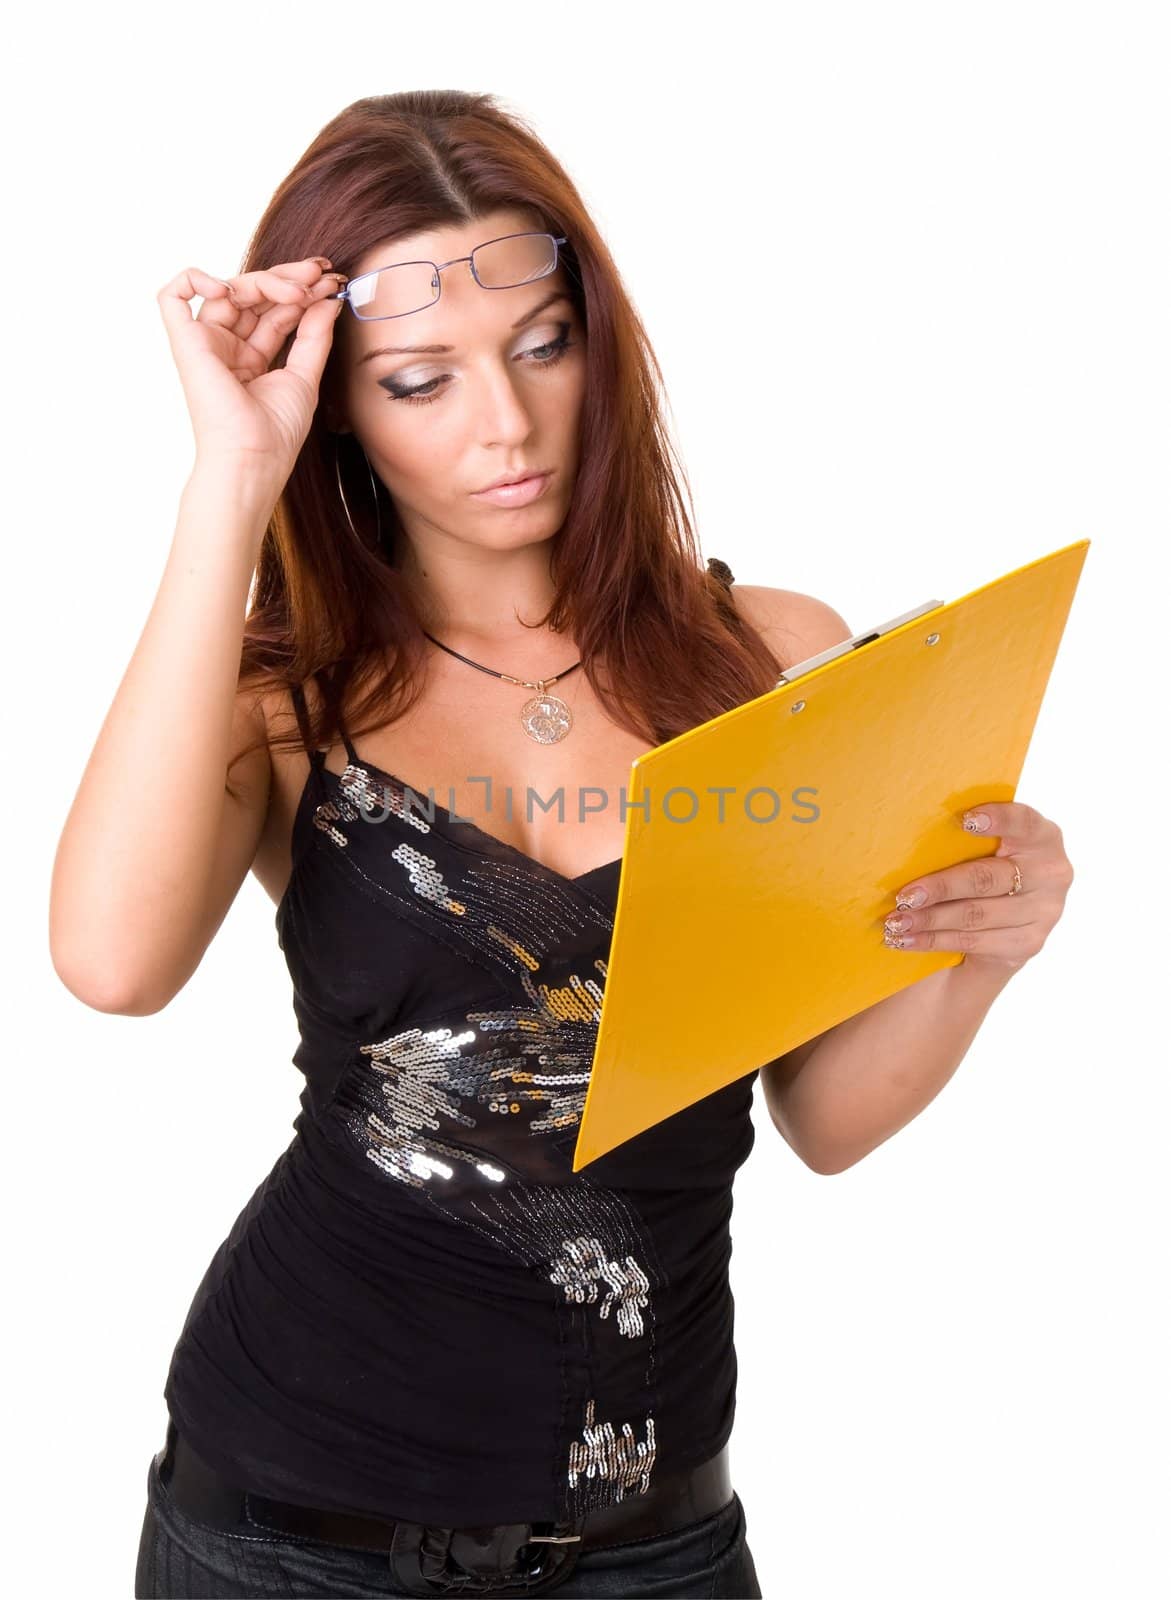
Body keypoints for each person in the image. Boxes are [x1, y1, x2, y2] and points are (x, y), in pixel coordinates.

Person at [50, 89, 1074, 1600]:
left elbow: (826, 1119)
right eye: (419, 381)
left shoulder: (769, 655)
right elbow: (111, 965)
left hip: (652, 1538)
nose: (507, 423)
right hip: (286, 1523)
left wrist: (980, 956)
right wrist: (231, 477)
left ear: (603, 339)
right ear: (340, 403)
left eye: (542, 346)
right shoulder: (284, 694)